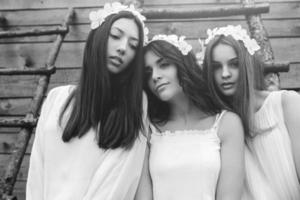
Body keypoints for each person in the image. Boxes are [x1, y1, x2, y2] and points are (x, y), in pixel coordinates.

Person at [26, 2, 149, 200]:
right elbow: (37, 173)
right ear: (98, 38)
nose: (123, 48)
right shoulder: (56, 99)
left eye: (133, 45)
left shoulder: (133, 107)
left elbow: (117, 182)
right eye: (116, 36)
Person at [135, 34, 245, 200]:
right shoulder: (147, 128)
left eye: (163, 65)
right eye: (148, 72)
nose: (155, 76)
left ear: (182, 65)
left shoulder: (226, 123)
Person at [202, 25, 300, 199]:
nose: (225, 74)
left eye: (234, 64)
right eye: (217, 67)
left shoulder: (287, 104)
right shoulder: (217, 124)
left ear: (246, 64)